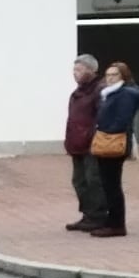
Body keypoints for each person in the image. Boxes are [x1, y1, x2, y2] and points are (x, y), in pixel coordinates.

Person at [84, 60, 139, 238]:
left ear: (123, 76)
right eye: (108, 75)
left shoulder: (124, 94)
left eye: (114, 75)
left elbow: (121, 119)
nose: (109, 78)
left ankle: (117, 224)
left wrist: (105, 131)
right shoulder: (109, 93)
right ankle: (111, 220)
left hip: (114, 141)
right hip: (107, 140)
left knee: (112, 185)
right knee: (107, 183)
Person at [60, 54, 101, 232]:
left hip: (92, 144)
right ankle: (87, 214)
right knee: (79, 180)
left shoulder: (99, 91)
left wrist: (93, 136)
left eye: (79, 70)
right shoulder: (77, 93)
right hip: (76, 143)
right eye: (74, 70)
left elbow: (101, 117)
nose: (74, 73)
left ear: (91, 71)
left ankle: (98, 216)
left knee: (93, 180)